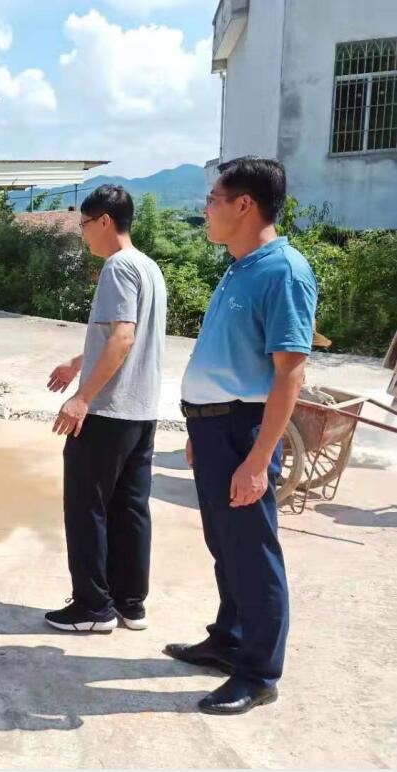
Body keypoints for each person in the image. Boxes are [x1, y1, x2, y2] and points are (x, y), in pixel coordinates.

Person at [165, 157, 317, 716]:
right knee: (224, 547)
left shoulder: (284, 271)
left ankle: (258, 672)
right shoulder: (238, 266)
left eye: (212, 199)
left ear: (244, 205)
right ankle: (228, 639)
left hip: (242, 430)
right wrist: (199, 429)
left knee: (252, 553)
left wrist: (257, 458)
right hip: (215, 429)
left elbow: (289, 373)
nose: (205, 208)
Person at [44, 184, 167, 634]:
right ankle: (129, 603)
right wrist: (78, 363)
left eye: (83, 225)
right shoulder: (148, 267)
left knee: (86, 508)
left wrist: (82, 397)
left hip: (109, 413)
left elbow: (123, 337)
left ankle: (92, 607)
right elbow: (119, 338)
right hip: (141, 411)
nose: (82, 235)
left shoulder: (117, 267)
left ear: (104, 222)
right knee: (130, 508)